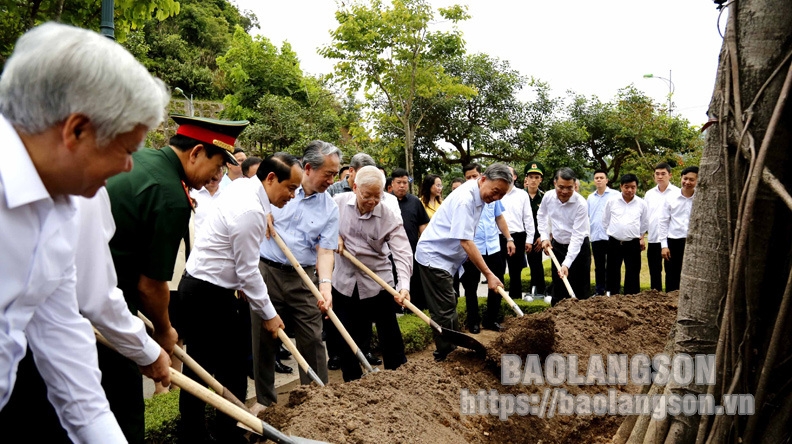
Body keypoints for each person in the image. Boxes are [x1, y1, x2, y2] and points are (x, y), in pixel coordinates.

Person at [0, 22, 169, 442]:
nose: (129, 167)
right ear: (77, 130)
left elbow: (64, 341)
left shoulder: (63, 208)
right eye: (127, 151)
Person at [105, 114, 247, 442]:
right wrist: (166, 330)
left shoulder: (145, 159)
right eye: (217, 165)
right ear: (195, 152)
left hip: (91, 291)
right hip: (108, 303)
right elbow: (150, 284)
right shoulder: (171, 196)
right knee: (123, 405)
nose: (218, 174)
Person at [178, 153, 301, 443]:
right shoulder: (251, 211)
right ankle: (201, 435)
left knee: (228, 368)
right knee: (207, 370)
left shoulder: (247, 188)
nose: (292, 196)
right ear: (270, 179)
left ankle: (224, 431)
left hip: (208, 288)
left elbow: (240, 265)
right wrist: (270, 315)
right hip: (206, 293)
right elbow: (248, 272)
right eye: (290, 188)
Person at [252, 140, 340, 406]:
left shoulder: (330, 207)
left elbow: (325, 252)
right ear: (309, 168)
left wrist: (325, 285)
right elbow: (253, 202)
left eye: (336, 174)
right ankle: (266, 403)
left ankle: (315, 401)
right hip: (267, 271)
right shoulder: (278, 188)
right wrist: (262, 212)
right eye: (329, 173)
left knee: (313, 338)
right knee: (263, 340)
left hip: (303, 278)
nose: (332, 180)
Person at [415, 164, 515, 362]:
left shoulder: (479, 194)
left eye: (501, 196)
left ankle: (451, 350)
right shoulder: (465, 199)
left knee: (449, 303)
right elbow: (466, 240)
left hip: (447, 257)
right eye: (495, 192)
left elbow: (467, 234)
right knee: (444, 309)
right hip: (434, 257)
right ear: (484, 179)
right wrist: (488, 274)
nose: (496, 198)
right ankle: (447, 355)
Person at [333, 166, 411, 381]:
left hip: (378, 282)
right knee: (347, 336)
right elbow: (319, 225)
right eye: (367, 196)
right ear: (355, 187)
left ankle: (399, 379)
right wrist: (333, 236)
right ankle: (353, 383)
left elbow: (402, 253)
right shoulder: (337, 203)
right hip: (344, 282)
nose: (372, 202)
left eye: (378, 197)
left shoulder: (388, 215)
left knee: (390, 335)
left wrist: (403, 286)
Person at [459, 163, 514, 333]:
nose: (472, 179)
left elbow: (499, 218)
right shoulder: (465, 198)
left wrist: (509, 238)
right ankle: (473, 322)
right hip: (473, 250)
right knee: (470, 287)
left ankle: (491, 320)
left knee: (497, 285)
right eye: (468, 177)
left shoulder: (493, 194)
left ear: (482, 176)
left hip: (493, 246)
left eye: (474, 175)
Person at [538, 167, 591, 305]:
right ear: (555, 183)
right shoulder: (548, 197)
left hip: (579, 248)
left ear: (575, 186)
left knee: (580, 288)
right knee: (559, 287)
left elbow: (577, 236)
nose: (565, 191)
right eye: (561, 187)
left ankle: (581, 322)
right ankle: (557, 320)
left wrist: (566, 264)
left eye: (569, 188)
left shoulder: (581, 204)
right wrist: (544, 237)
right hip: (557, 246)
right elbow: (542, 215)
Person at [602, 174, 648, 296]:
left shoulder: (641, 204)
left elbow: (644, 223)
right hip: (614, 242)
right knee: (612, 271)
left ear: (636, 187)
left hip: (632, 243)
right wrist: (615, 232)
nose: (629, 190)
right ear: (621, 186)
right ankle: (612, 296)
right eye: (626, 187)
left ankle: (631, 299)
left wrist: (640, 236)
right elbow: (605, 221)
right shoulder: (612, 201)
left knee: (633, 272)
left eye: (633, 187)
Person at [391, 168, 430, 309]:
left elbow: (423, 226)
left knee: (414, 281)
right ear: (392, 184)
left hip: (412, 251)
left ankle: (413, 308)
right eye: (399, 182)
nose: (402, 185)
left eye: (405, 183)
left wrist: (424, 246)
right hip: (389, 252)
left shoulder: (415, 202)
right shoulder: (386, 201)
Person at [658, 166, 699, 292]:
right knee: (672, 275)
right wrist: (664, 245)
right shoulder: (671, 198)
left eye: (691, 180)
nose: (687, 182)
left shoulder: (701, 198)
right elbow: (663, 222)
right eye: (685, 178)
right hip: (673, 241)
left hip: (694, 242)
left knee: (692, 275)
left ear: (698, 180)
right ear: (681, 178)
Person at [499, 165, 536, 303]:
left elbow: (528, 218)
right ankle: (499, 301)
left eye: (509, 173)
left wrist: (529, 240)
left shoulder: (522, 194)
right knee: (498, 270)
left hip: (517, 236)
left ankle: (515, 300)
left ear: (515, 177)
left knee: (515, 272)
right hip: (498, 236)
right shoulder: (497, 193)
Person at [644, 162, 680, 291]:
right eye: (657, 174)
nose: (660, 177)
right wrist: (642, 236)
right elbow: (645, 217)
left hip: (670, 238)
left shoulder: (677, 193)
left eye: (663, 174)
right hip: (653, 238)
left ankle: (671, 298)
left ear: (670, 175)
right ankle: (656, 299)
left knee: (672, 271)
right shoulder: (649, 194)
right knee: (654, 271)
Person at [587, 169, 618, 295]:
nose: (599, 180)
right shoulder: (590, 198)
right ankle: (599, 291)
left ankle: (611, 291)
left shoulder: (615, 195)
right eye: (596, 178)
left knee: (612, 265)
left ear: (607, 180)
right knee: (599, 266)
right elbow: (588, 216)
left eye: (601, 177)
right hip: (596, 236)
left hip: (611, 236)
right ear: (594, 180)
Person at [523, 162, 547, 296]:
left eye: (536, 177)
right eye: (531, 177)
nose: (533, 180)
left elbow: (548, 219)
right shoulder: (520, 196)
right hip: (522, 235)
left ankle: (540, 290)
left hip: (538, 237)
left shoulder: (544, 197)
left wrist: (542, 237)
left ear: (541, 180)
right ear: (526, 179)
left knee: (536, 263)